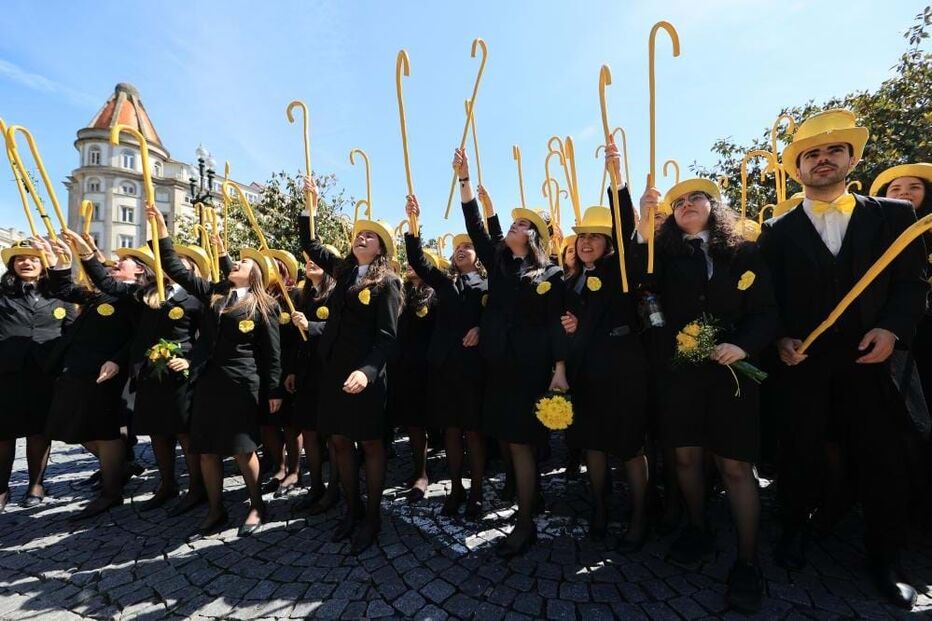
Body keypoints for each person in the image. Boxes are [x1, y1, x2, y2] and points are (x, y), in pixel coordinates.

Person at [758, 109, 926, 609]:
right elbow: (770, 299)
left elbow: (912, 285)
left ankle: (885, 559)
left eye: (833, 151)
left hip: (872, 360)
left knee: (881, 459)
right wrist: (781, 337)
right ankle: (794, 531)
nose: (823, 160)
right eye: (812, 154)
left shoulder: (895, 216)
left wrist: (892, 328)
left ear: (852, 158)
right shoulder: (776, 229)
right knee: (800, 452)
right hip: (804, 363)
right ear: (798, 168)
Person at [634, 175, 778, 612]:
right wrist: (643, 220)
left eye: (697, 197)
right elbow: (639, 283)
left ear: (715, 208)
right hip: (679, 375)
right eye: (678, 202)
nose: (687, 204)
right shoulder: (661, 255)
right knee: (685, 457)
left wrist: (743, 345)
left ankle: (748, 560)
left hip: (731, 371)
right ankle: (698, 527)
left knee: (735, 466)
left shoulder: (745, 252)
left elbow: (768, 312)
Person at [454, 148, 568, 558]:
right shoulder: (500, 265)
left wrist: (559, 369)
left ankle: (524, 523)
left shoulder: (551, 274)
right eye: (513, 222)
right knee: (505, 437)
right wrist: (466, 182)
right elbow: (477, 227)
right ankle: (529, 497)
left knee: (521, 443)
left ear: (534, 235)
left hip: (530, 369)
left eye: (523, 224)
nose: (514, 227)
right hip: (497, 366)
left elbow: (557, 322)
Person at [147, 204, 282, 540]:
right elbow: (177, 269)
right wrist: (162, 231)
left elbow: (272, 353)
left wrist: (275, 389)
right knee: (206, 449)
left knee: (242, 448)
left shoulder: (264, 305)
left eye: (244, 262)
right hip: (207, 381)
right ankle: (215, 508)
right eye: (235, 260)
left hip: (241, 383)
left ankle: (256, 504)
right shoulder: (215, 294)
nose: (236, 262)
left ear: (256, 274)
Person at [60, 229, 207, 515]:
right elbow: (107, 283)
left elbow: (207, 338)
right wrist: (87, 254)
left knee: (184, 435)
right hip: (149, 375)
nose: (173, 266)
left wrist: (189, 361)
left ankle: (197, 489)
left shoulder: (195, 298)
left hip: (181, 375)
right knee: (157, 433)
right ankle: (167, 484)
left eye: (181, 264)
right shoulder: (146, 295)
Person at [299, 176, 402, 554]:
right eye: (359, 235)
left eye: (370, 237)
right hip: (334, 373)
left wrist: (368, 371)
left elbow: (388, 336)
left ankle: (372, 517)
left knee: (371, 445)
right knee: (339, 441)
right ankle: (351, 509)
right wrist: (311, 203)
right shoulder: (343, 273)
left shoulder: (388, 282)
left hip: (366, 376)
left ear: (382, 249)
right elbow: (310, 243)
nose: (362, 238)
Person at [560, 185, 650, 549]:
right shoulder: (571, 280)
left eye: (596, 236)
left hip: (623, 369)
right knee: (592, 445)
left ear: (609, 243)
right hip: (586, 374)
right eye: (582, 236)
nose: (586, 243)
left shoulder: (620, 266)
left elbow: (627, 228)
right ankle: (599, 507)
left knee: (630, 447)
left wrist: (619, 185)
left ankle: (640, 516)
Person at [43, 235, 140, 520]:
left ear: (140, 271)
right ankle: (119, 466)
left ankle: (111, 493)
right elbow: (63, 289)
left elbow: (137, 337)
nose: (114, 264)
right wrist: (58, 263)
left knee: (105, 431)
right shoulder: (102, 292)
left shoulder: (136, 295)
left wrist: (117, 360)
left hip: (106, 373)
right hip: (78, 370)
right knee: (74, 427)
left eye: (122, 263)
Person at [405, 198, 487, 519]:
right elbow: (417, 260)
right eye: (458, 248)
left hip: (474, 367)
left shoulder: (488, 282)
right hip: (444, 367)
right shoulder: (444, 281)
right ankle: (456, 487)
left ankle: (477, 490)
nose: (462, 250)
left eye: (468, 246)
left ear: (477, 254)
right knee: (451, 431)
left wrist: (481, 327)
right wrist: (414, 225)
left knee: (474, 432)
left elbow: (496, 316)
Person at [0, 241, 74, 511]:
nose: (26, 263)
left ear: (44, 265)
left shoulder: (61, 295)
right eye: (20, 258)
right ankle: (1, 488)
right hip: (6, 373)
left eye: (33, 258)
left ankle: (36, 483)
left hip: (46, 374)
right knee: (3, 434)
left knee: (39, 433)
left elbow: (71, 332)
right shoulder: (2, 293)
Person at [289, 251, 339, 514]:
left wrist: (312, 325)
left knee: (332, 434)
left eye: (318, 260)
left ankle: (334, 488)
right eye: (307, 259)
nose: (310, 262)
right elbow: (298, 340)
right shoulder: (302, 295)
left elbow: (338, 329)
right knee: (309, 431)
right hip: (307, 372)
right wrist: (293, 371)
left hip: (329, 371)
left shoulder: (338, 293)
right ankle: (316, 485)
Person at [387, 255, 437, 503]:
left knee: (421, 423)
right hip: (401, 366)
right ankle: (417, 467)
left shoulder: (433, 293)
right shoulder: (400, 291)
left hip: (425, 367)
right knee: (410, 423)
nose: (410, 264)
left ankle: (423, 473)